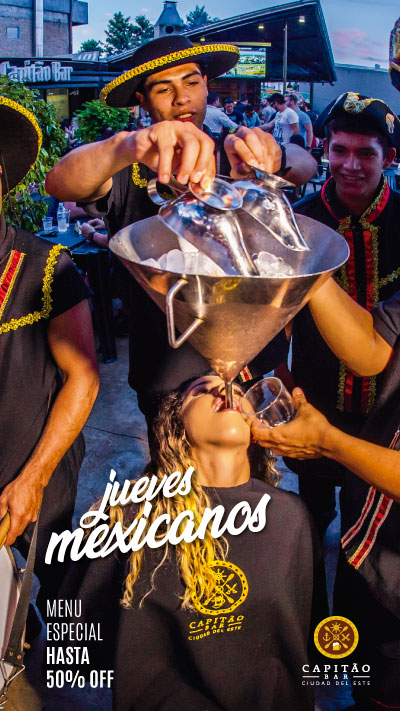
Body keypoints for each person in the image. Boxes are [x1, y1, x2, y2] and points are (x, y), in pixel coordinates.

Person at [45, 35, 316, 442]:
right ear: (142, 100)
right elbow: (60, 183)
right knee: (176, 479)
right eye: (163, 89)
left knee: (255, 476)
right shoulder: (128, 166)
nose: (181, 98)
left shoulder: (234, 153)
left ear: (207, 85)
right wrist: (127, 145)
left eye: (191, 82)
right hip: (168, 371)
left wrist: (275, 155)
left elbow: (305, 165)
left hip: (251, 364)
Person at [55, 373, 324, 711]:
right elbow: (74, 633)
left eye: (236, 391)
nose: (224, 392)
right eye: (201, 390)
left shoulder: (291, 517)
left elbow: (310, 633)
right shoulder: (128, 519)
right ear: (176, 427)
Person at [252, 274, 400, 711]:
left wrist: (329, 442)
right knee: (363, 662)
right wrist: (313, 271)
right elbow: (373, 350)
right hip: (366, 531)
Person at [0, 96, 99, 614]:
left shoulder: (45, 265)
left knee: (64, 593)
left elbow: (83, 378)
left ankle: (67, 653)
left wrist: (33, 479)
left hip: (39, 469)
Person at [286, 93, 400, 537]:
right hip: (315, 396)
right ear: (325, 150)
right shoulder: (298, 222)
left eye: (366, 153)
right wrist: (285, 385)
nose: (350, 165)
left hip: (388, 409)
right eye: (339, 150)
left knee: (372, 520)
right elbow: (278, 320)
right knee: (311, 516)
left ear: (389, 158)